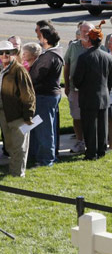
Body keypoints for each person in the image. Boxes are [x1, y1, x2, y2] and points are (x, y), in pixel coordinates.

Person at [73, 24, 112, 161]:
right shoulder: (108, 57)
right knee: (103, 126)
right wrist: (106, 89)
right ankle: (101, 150)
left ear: (89, 41)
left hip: (88, 96)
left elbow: (77, 79)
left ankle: (91, 153)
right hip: (103, 95)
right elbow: (111, 78)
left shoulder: (84, 57)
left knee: (90, 126)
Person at [29, 27, 63, 167]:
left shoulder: (49, 56)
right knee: (47, 127)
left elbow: (36, 76)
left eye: (40, 36)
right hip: (50, 95)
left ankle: (46, 159)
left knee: (45, 129)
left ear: (45, 39)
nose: (38, 38)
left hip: (45, 96)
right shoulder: (56, 52)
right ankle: (45, 156)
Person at [0, 41, 35, 177]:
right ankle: (13, 170)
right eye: (1, 52)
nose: (4, 55)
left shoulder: (19, 70)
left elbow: (28, 95)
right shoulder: (2, 70)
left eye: (7, 52)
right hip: (4, 114)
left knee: (19, 147)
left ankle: (17, 174)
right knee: (9, 145)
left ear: (14, 53)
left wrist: (28, 116)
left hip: (18, 115)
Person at [64, 22, 95, 154]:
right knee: (77, 117)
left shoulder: (98, 47)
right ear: (79, 32)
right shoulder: (73, 47)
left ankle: (92, 142)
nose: (86, 34)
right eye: (83, 31)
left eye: (88, 31)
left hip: (92, 91)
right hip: (75, 89)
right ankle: (80, 141)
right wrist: (66, 84)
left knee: (91, 117)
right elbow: (67, 65)